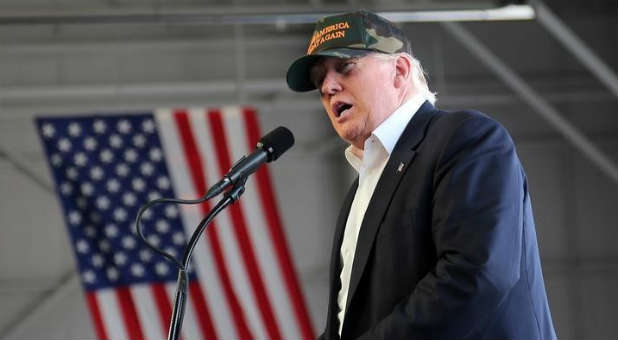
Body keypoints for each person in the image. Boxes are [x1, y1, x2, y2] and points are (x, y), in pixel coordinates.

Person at [286, 10, 557, 339]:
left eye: (345, 67)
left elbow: (475, 275)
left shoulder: (466, 139)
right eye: (318, 81)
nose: (328, 87)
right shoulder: (360, 192)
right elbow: (347, 322)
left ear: (399, 71)